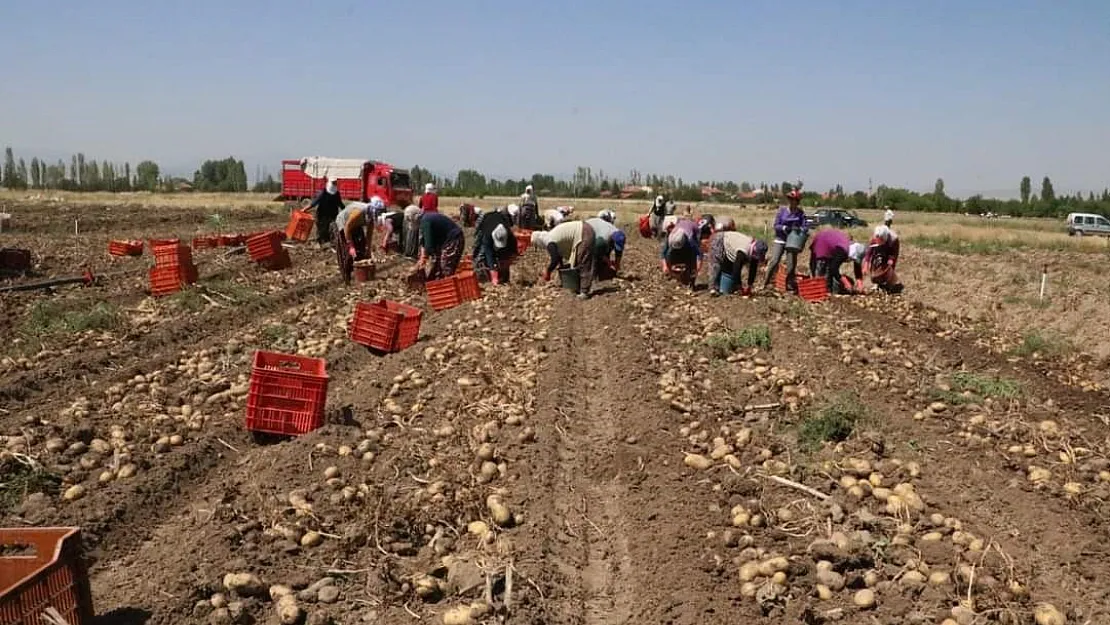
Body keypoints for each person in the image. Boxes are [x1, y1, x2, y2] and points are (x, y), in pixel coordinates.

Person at [533, 219, 596, 299]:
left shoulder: (549, 240)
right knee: (579, 260)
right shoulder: (549, 236)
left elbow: (554, 258)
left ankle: (584, 292)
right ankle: (579, 286)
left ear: (539, 242)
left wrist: (548, 271)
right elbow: (558, 255)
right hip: (584, 230)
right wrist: (562, 266)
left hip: (583, 232)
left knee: (583, 262)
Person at [706, 217, 768, 296]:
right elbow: (736, 269)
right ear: (754, 250)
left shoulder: (754, 252)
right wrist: (740, 286)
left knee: (727, 267)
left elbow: (753, 268)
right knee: (716, 264)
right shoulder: (743, 251)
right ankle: (712, 288)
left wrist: (750, 285)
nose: (756, 258)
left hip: (732, 243)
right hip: (721, 239)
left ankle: (726, 286)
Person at [763, 189, 808, 293]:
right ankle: (765, 283)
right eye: (791, 200)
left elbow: (805, 226)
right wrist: (783, 228)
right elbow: (776, 225)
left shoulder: (800, 213)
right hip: (781, 239)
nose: (793, 202)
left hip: (793, 240)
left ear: (797, 202)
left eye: (795, 200)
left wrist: (800, 229)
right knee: (774, 261)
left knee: (791, 264)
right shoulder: (782, 211)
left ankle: (789, 285)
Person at [333, 199, 377, 285]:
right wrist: (350, 245)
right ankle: (347, 278)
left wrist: (368, 248)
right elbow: (347, 227)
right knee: (347, 253)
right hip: (343, 225)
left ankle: (362, 275)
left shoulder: (372, 216)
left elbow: (369, 234)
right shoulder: (358, 212)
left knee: (361, 248)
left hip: (355, 225)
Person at [808, 228, 864, 295]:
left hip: (829, 241)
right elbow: (833, 268)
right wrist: (844, 281)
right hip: (822, 243)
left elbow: (857, 266)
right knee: (821, 271)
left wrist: (859, 282)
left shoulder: (852, 249)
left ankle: (828, 290)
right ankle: (820, 291)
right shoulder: (843, 251)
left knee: (829, 272)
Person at [472, 209, 517, 284]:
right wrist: (493, 274)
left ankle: (504, 277)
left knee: (503, 254)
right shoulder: (487, 236)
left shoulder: (509, 235)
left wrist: (507, 262)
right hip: (486, 222)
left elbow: (513, 250)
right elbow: (489, 254)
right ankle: (483, 276)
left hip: (499, 218)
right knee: (481, 254)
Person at [417, 211, 464, 280]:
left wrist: (424, 258)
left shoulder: (425, 222)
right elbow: (423, 241)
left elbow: (428, 244)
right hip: (446, 240)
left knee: (445, 265)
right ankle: (436, 281)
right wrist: (422, 257)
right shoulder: (425, 219)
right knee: (438, 263)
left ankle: (447, 285)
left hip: (453, 239)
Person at [661, 218, 702, 291]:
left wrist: (698, 267)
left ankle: (691, 283)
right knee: (669, 255)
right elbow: (663, 253)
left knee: (692, 259)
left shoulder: (690, 239)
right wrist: (665, 266)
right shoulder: (670, 237)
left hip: (692, 234)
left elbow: (699, 253)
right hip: (677, 243)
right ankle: (675, 275)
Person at [865, 225, 903, 294]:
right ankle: (877, 283)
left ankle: (888, 283)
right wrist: (866, 263)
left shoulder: (893, 239)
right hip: (880, 246)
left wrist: (891, 259)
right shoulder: (875, 238)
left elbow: (893, 253)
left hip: (891, 248)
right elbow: (869, 251)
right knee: (876, 261)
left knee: (889, 267)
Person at [307, 178, 345, 247]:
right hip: (326, 215)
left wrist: (304, 209)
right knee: (323, 228)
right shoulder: (334, 193)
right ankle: (322, 241)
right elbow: (341, 205)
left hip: (326, 215)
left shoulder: (325, 192)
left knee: (324, 228)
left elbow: (314, 203)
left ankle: (325, 241)